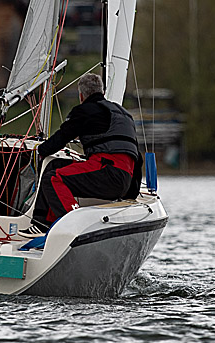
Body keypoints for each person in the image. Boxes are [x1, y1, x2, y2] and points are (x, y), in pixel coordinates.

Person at [18, 73, 143, 238]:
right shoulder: (124, 115)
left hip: (107, 173)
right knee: (54, 166)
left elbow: (62, 137)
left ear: (81, 95)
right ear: (102, 92)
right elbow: (136, 157)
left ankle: (73, 226)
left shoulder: (85, 111)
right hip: (126, 180)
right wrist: (130, 195)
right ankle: (41, 224)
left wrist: (40, 151)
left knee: (53, 178)